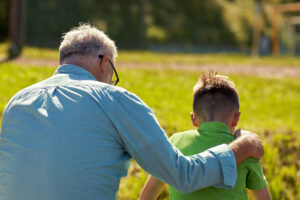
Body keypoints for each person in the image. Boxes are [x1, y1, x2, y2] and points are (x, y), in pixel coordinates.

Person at [0, 24, 264, 200]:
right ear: (104, 61)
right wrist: (245, 145)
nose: (111, 81)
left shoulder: (17, 102)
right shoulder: (114, 100)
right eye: (113, 74)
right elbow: (183, 175)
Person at [140, 71, 271, 200]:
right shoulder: (246, 150)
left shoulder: (175, 142)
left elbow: (149, 191)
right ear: (236, 118)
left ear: (193, 119)